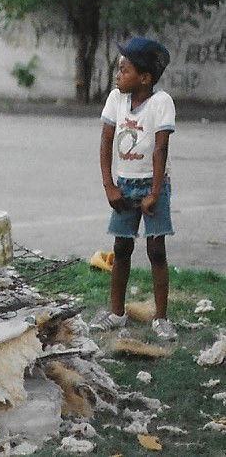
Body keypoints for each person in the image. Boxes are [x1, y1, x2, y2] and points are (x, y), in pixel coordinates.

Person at [91, 37, 176, 340]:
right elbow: (105, 142)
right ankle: (116, 313)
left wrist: (154, 193)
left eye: (124, 71)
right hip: (124, 185)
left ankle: (162, 318)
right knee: (122, 247)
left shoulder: (161, 102)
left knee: (156, 249)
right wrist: (109, 186)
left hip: (155, 184)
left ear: (144, 78)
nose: (117, 76)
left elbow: (160, 149)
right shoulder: (116, 99)